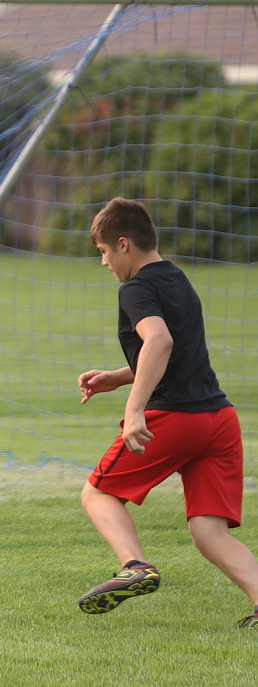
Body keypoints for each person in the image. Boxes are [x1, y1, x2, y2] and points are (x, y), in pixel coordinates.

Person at [76, 196, 258, 628]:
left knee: (98, 493)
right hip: (219, 420)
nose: (103, 262)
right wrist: (121, 376)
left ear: (123, 244)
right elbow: (175, 352)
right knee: (208, 533)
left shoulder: (135, 287)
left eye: (103, 251)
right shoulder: (177, 277)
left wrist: (134, 408)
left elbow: (159, 341)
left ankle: (135, 566)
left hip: (175, 419)